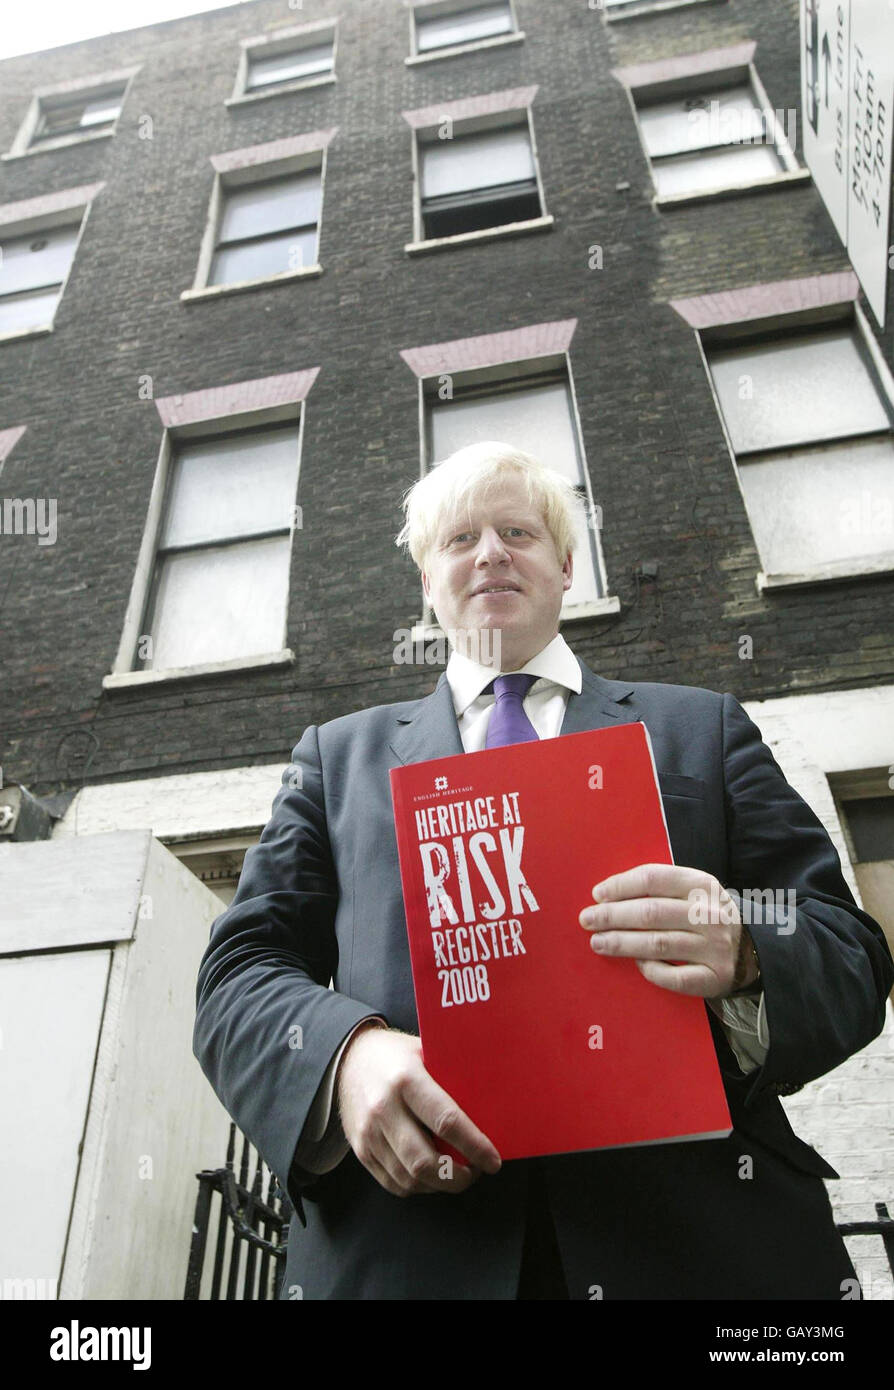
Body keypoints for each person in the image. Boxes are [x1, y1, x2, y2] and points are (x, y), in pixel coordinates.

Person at [193, 441, 893, 1300]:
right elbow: (239, 974)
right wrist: (343, 1058)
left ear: (565, 566)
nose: (490, 553)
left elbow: (851, 952)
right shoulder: (335, 761)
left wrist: (748, 949)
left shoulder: (701, 729)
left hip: (700, 1248)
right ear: (428, 581)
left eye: (517, 532)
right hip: (411, 1251)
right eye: (461, 539)